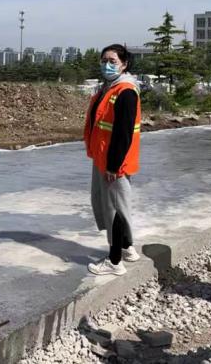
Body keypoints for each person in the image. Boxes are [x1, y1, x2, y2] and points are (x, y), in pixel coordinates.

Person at [84, 44, 142, 276]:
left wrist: (113, 165)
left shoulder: (125, 91)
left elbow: (123, 133)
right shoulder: (109, 88)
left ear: (124, 64)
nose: (106, 65)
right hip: (103, 157)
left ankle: (115, 261)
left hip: (114, 162)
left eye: (112, 61)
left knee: (114, 210)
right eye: (104, 60)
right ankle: (127, 248)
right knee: (112, 204)